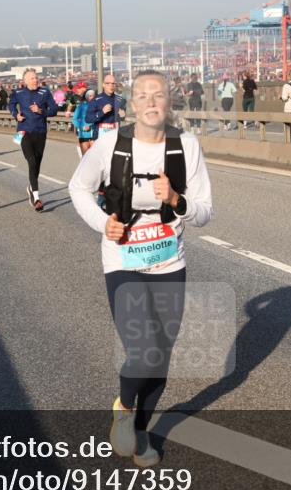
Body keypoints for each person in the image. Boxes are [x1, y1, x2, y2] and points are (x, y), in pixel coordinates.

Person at [68, 70, 212, 467]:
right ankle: (124, 406)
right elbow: (77, 188)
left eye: (159, 95)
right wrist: (103, 223)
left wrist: (177, 199)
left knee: (160, 359)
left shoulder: (187, 146)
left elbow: (204, 212)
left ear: (170, 102)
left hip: (169, 260)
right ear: (132, 104)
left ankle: (142, 432)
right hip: (123, 257)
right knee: (144, 349)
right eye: (143, 95)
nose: (151, 102)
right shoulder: (110, 143)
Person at [8, 68, 58, 211]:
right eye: (32, 78)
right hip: (24, 131)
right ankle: (36, 198)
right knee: (31, 161)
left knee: (37, 164)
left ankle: (31, 187)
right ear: (25, 81)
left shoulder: (45, 92)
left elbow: (54, 110)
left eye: (36, 78)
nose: (35, 80)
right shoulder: (18, 93)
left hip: (40, 132)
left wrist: (41, 111)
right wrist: (15, 115)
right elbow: (10, 105)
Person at [86, 74, 127, 139]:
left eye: (113, 83)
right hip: (99, 138)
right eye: (108, 83)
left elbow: (122, 119)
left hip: (115, 137)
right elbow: (88, 119)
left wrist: (123, 116)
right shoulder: (95, 100)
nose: (111, 86)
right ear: (103, 85)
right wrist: (102, 112)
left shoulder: (121, 100)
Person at [73, 89, 98, 155]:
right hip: (84, 135)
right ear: (86, 97)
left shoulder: (98, 107)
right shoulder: (81, 106)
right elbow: (74, 119)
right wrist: (82, 127)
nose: (92, 97)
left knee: (94, 158)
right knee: (85, 159)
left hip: (95, 135)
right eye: (90, 96)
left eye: (93, 96)